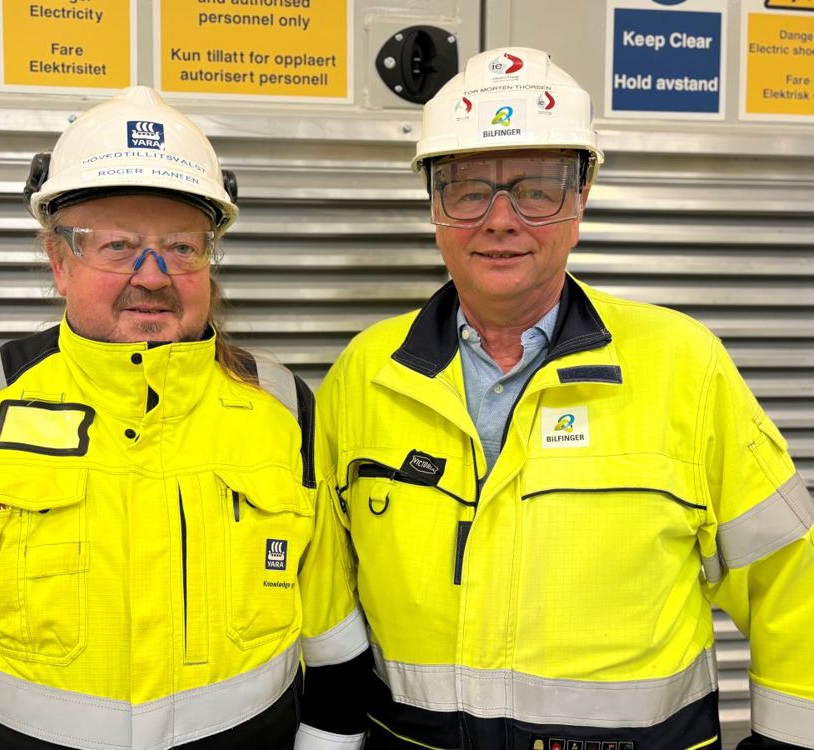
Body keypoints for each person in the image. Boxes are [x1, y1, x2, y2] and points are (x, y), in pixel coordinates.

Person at [0, 86, 368, 750]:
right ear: (58, 261)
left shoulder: (285, 411)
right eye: (117, 246)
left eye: (182, 247)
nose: (154, 275)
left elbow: (336, 660)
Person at [317, 47, 814, 749]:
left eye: (538, 189)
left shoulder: (684, 367)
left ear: (581, 199)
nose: (500, 219)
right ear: (434, 205)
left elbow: (794, 574)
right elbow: (323, 589)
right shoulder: (365, 375)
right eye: (466, 189)